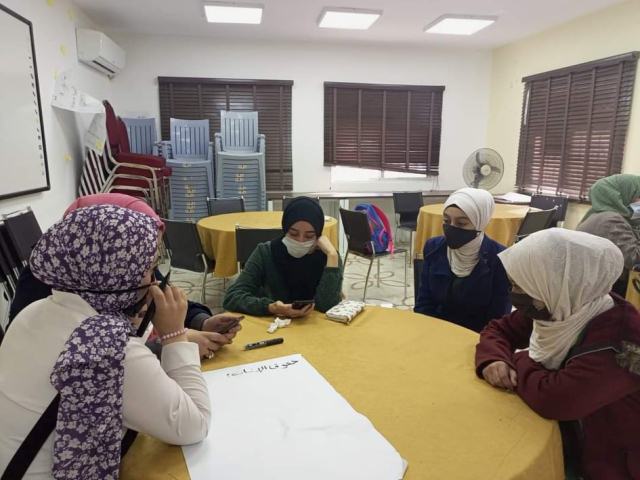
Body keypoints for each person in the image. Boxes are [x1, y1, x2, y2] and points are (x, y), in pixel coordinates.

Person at [0, 205, 211, 479]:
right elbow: (195, 426)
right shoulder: (110, 348)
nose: (154, 282)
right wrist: (175, 336)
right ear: (116, 274)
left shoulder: (34, 311)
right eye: (149, 270)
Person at [475, 228, 640, 480]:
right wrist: (494, 358)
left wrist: (519, 358)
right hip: (568, 436)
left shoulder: (622, 340)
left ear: (555, 281)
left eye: (521, 285)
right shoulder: (559, 303)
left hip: (610, 460)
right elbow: (499, 329)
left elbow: (557, 399)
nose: (515, 293)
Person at [8, 193, 242, 360]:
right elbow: (79, 358)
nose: (150, 274)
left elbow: (159, 297)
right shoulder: (43, 287)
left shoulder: (130, 267)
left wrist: (200, 320)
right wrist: (170, 344)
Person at [223, 197, 343, 317]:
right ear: (285, 230)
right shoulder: (266, 252)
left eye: (309, 236)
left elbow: (327, 307)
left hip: (317, 326)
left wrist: (332, 255)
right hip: (272, 324)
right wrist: (271, 308)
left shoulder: (328, 256)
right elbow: (232, 297)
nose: (300, 241)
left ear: (318, 235)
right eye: (293, 234)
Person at [414, 188, 511, 332]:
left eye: (461, 223)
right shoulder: (434, 248)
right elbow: (424, 302)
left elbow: (498, 319)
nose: (451, 228)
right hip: (436, 330)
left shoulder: (500, 259)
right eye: (446, 220)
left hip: (477, 335)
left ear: (480, 223)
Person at [577, 174, 640, 296]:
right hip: (597, 291)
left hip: (597, 283)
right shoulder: (610, 220)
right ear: (622, 196)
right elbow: (635, 261)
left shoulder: (602, 214)